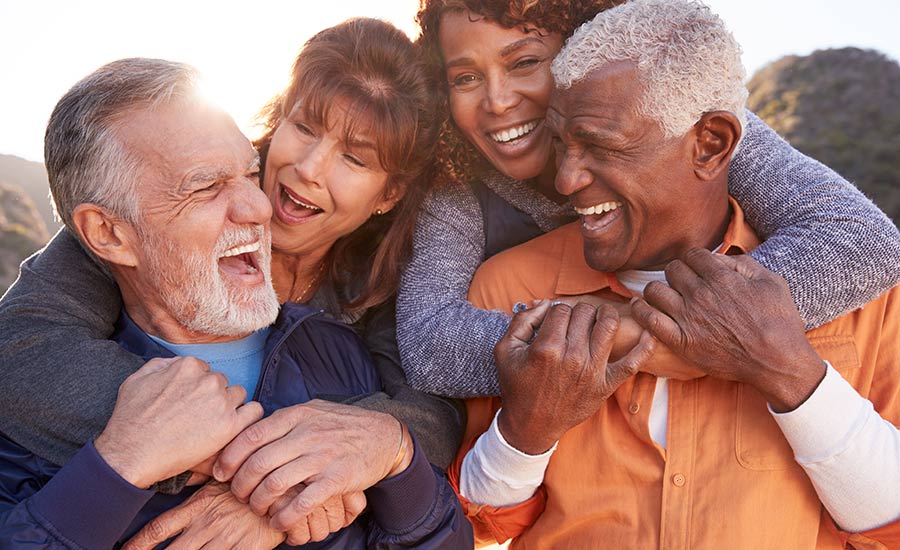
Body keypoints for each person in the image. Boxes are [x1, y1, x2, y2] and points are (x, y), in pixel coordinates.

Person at [451, 1, 900, 547]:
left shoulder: (862, 292)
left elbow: (889, 526)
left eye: (601, 147)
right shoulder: (504, 288)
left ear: (709, 143)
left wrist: (786, 369)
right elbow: (480, 522)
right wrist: (527, 432)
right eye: (563, 143)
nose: (566, 179)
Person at [0, 31, 472, 550]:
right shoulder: (143, 216)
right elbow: (19, 348)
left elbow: (433, 419)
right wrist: (250, 468)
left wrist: (303, 475)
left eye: (355, 159)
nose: (309, 168)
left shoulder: (381, 283)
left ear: (389, 194)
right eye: (305, 127)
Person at [395, 0, 900, 398]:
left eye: (526, 62)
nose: (498, 101)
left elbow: (862, 240)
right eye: (465, 77)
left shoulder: (682, 121)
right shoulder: (457, 188)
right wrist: (633, 329)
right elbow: (428, 345)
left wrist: (709, 323)